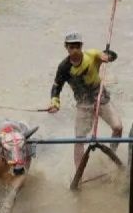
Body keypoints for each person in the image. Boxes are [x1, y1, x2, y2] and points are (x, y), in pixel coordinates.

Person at [48, 31, 123, 169]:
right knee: (79, 140)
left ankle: (112, 154)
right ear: (66, 47)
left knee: (118, 127)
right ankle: (79, 172)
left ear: (81, 46)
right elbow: (56, 87)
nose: (75, 50)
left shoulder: (92, 55)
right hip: (83, 104)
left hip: (100, 97)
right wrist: (55, 103)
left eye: (77, 46)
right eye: (72, 47)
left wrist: (108, 56)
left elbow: (112, 55)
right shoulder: (64, 67)